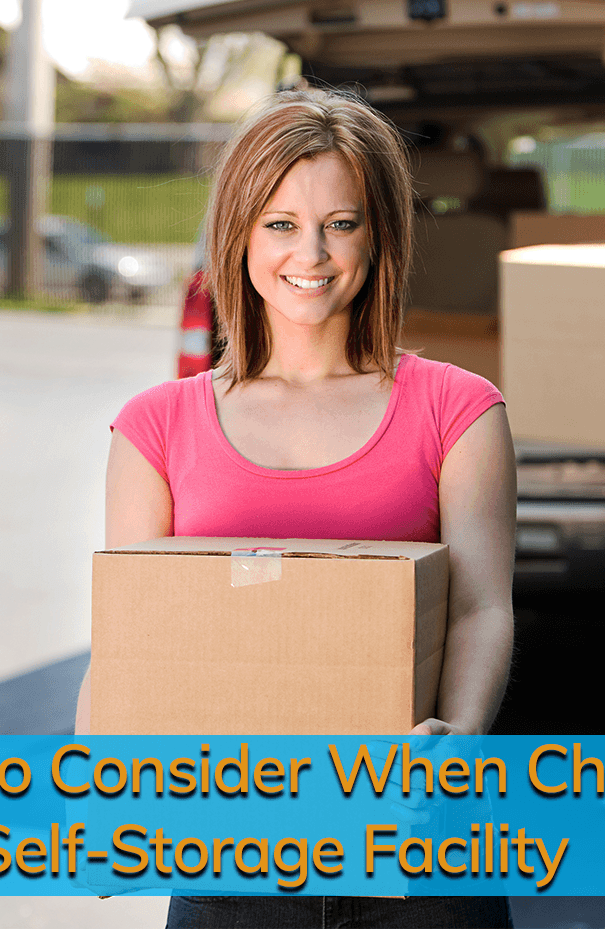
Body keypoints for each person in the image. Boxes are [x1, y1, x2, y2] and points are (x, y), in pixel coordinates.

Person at [73, 88, 517, 928]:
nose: (310, 252)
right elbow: (128, 646)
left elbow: (483, 609)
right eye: (280, 224)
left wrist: (457, 737)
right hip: (227, 864)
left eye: (340, 223)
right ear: (238, 234)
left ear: (380, 232)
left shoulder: (458, 411)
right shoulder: (154, 428)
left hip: (417, 858)